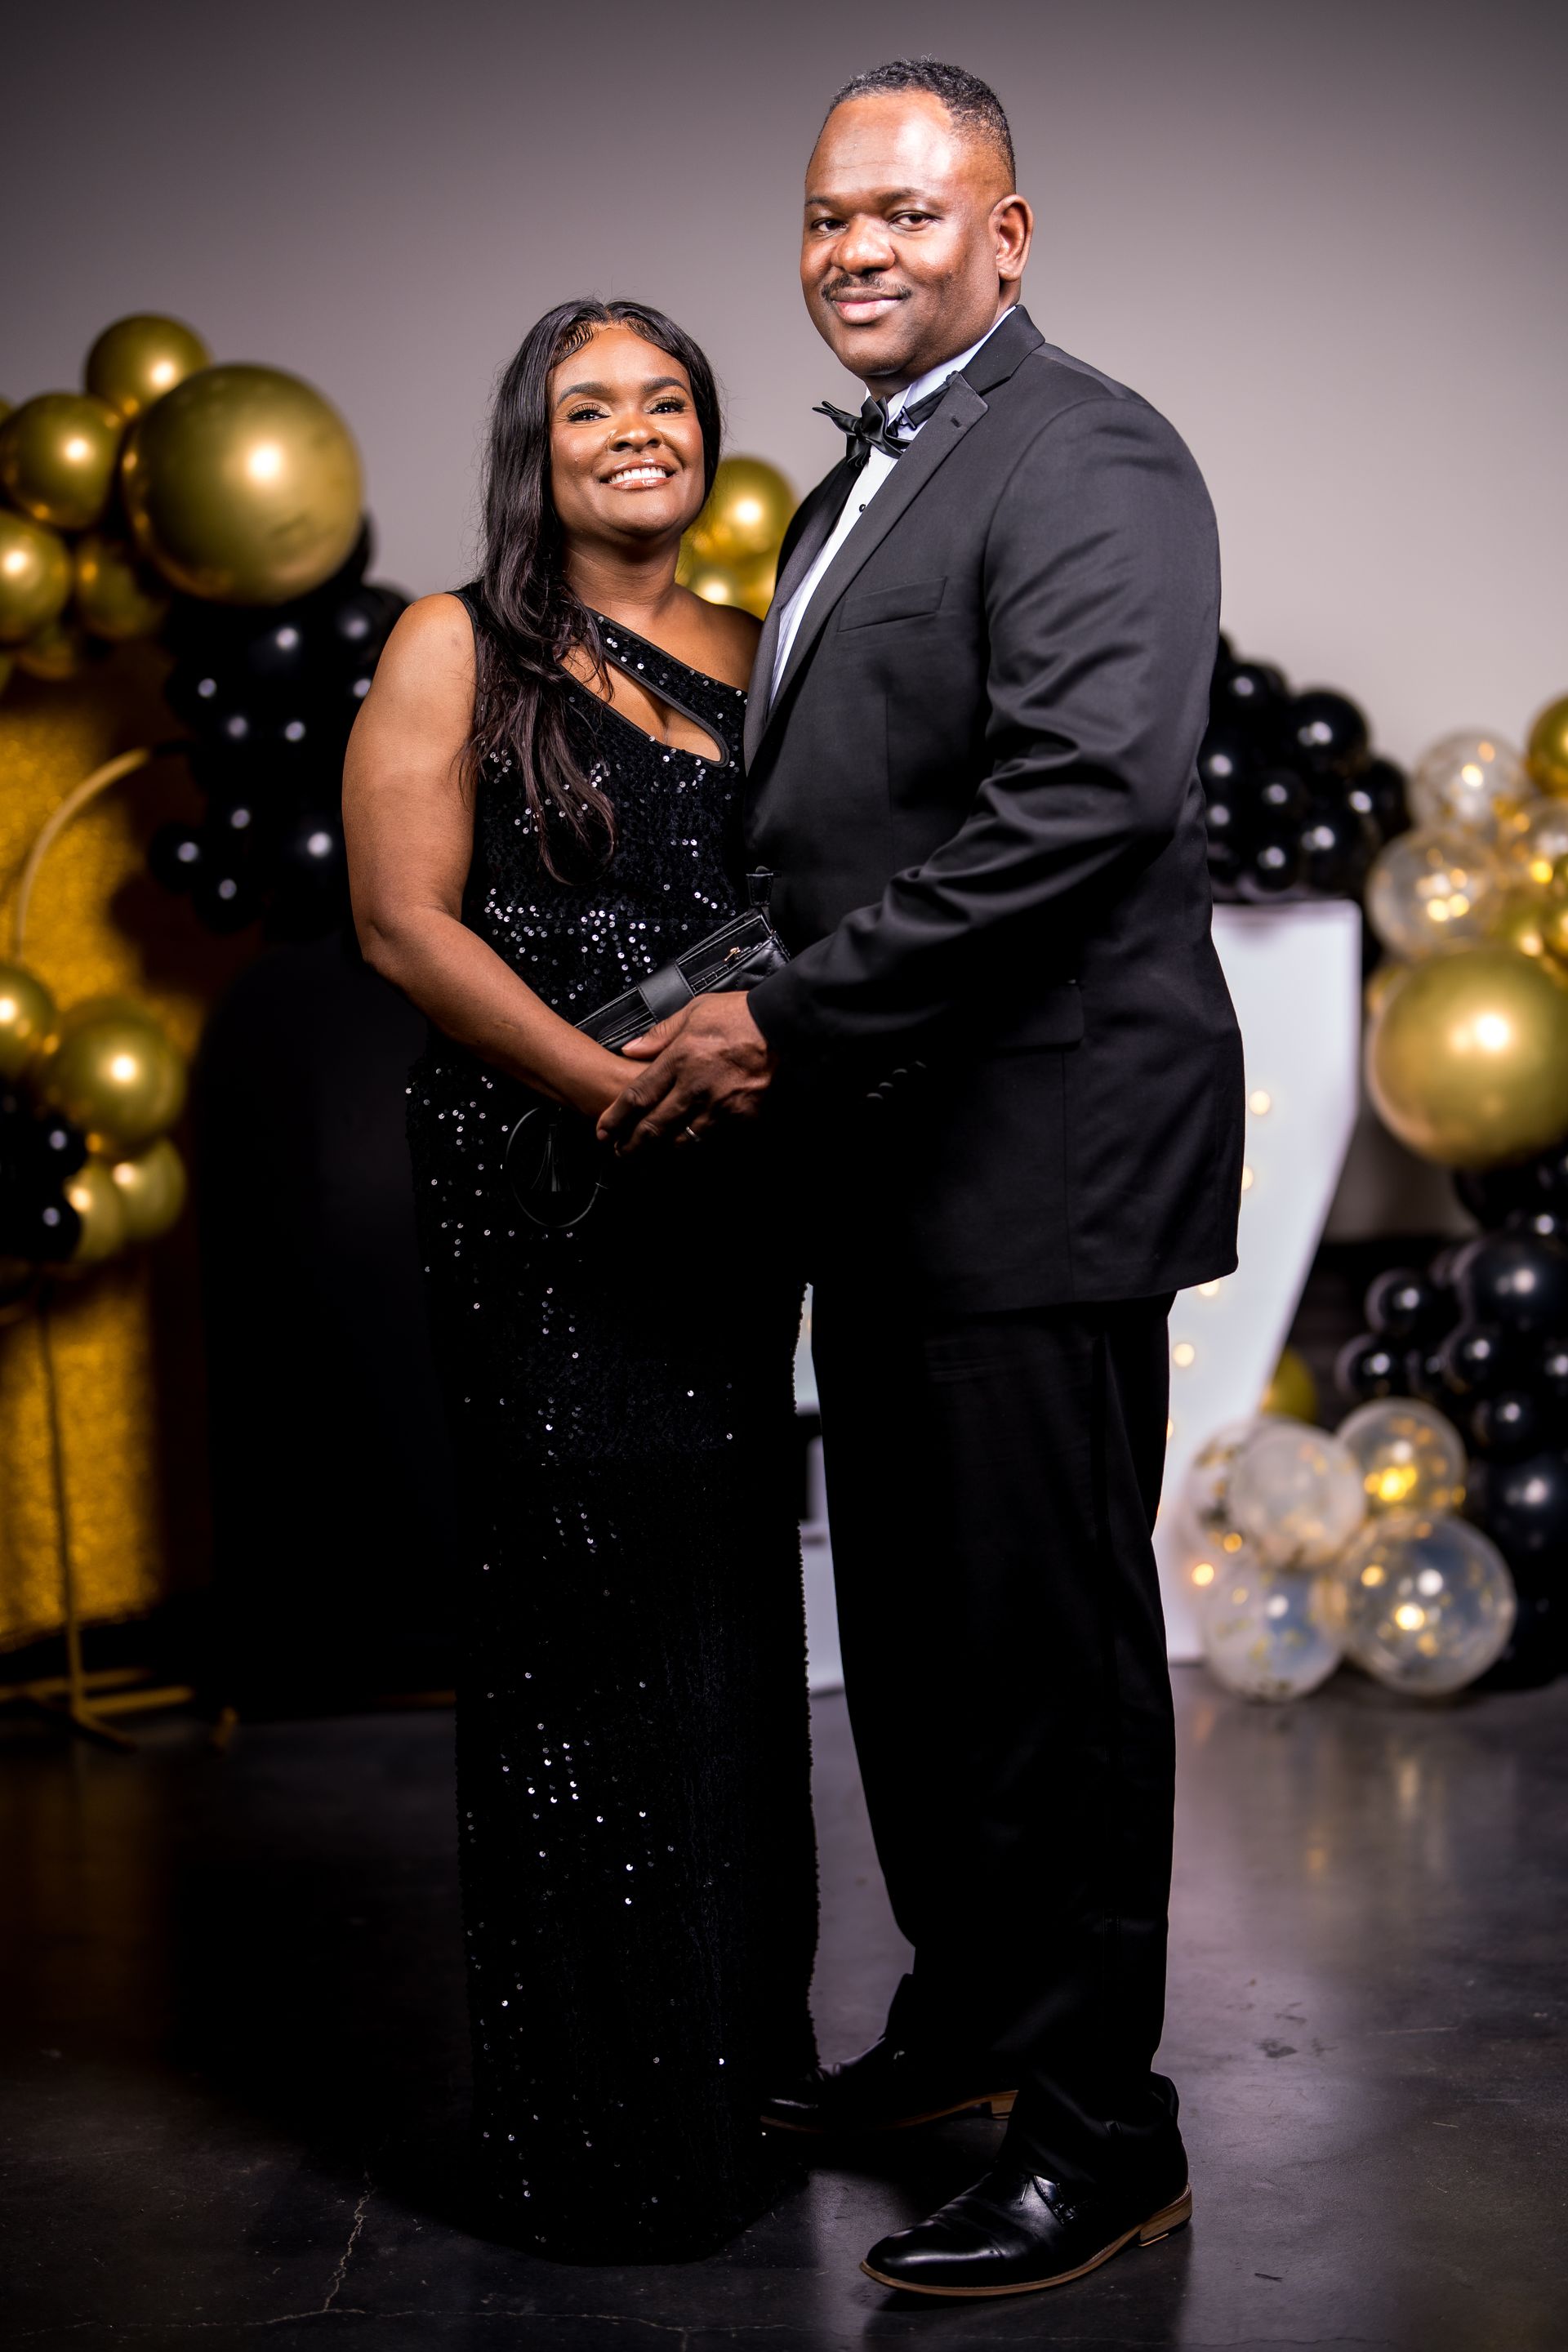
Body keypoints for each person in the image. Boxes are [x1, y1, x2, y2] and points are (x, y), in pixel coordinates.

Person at [600, 60, 1245, 2298]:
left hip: (1041, 1160)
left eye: (905, 210)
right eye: (825, 217)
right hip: (885, 1170)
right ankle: (975, 2029)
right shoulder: (864, 484)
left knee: (1046, 1673)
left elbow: (1079, 807)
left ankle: (1104, 2131)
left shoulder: (1093, 455)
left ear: (1011, 233)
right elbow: (839, 837)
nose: (858, 248)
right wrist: (691, 988)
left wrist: (779, 1016)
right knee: (923, 1654)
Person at [342, 298, 817, 2263]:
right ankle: (598, 2141)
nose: (636, 429)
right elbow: (398, 924)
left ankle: (738, 2098)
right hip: (548, 1191)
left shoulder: (772, 645)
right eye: (587, 406)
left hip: (734, 1199)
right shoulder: (460, 638)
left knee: (725, 1629)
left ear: (708, 435)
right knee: (581, 1650)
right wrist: (613, 1083)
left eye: (669, 398)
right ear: (536, 453)